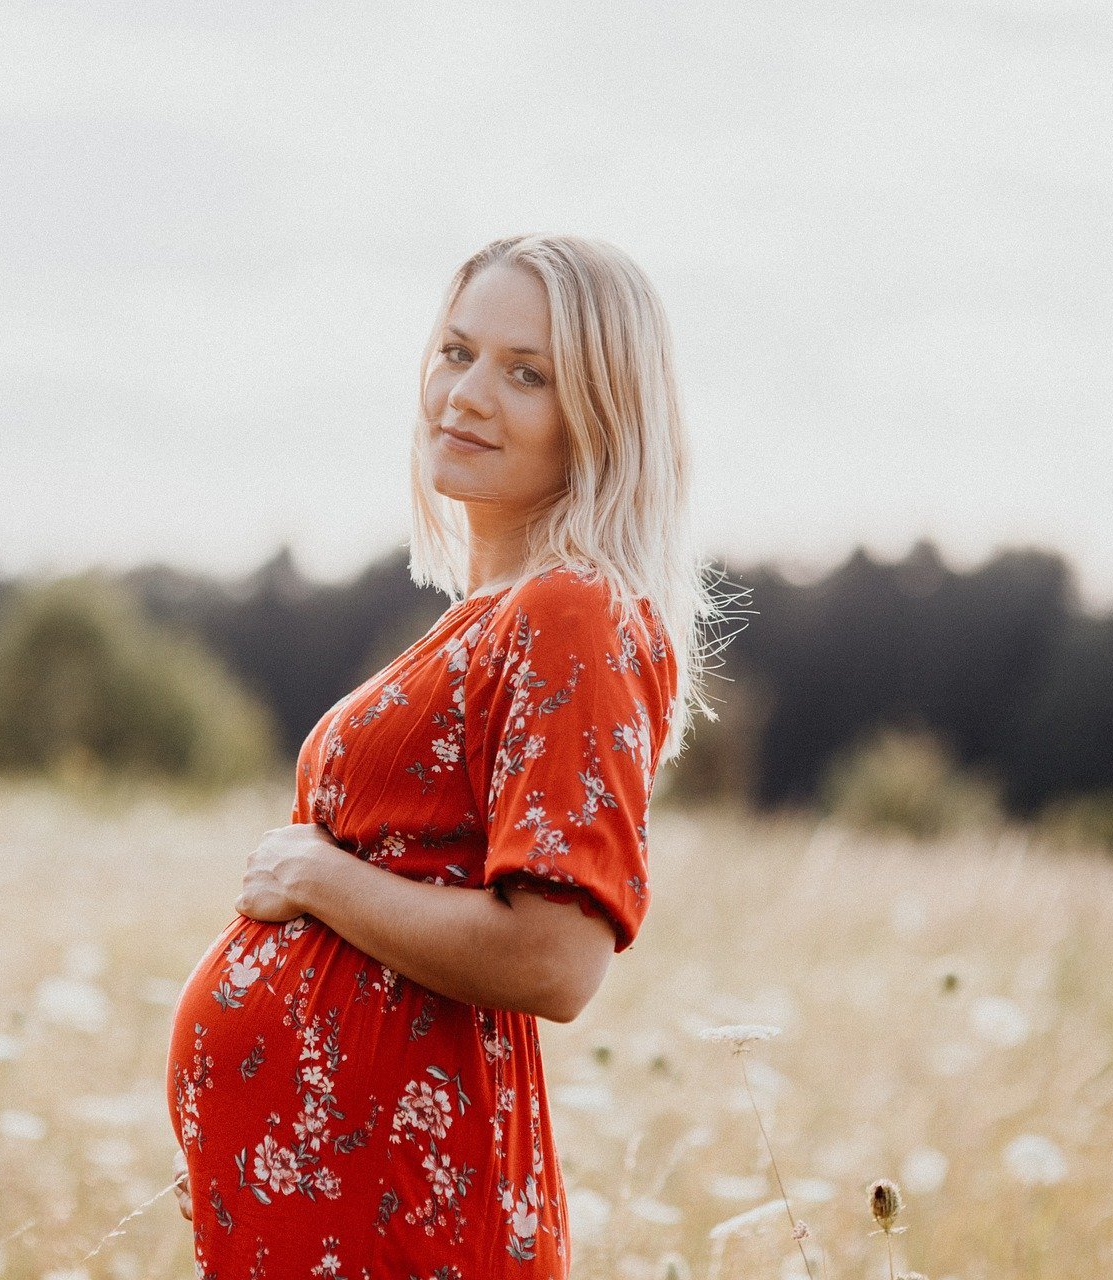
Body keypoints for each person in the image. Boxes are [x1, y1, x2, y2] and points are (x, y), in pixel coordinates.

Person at [165, 233, 724, 1278]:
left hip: (406, 1223)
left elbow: (556, 960)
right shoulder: (493, 616)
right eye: (457, 351)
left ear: (600, 417)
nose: (467, 393)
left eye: (527, 373)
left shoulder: (577, 612)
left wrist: (320, 876)